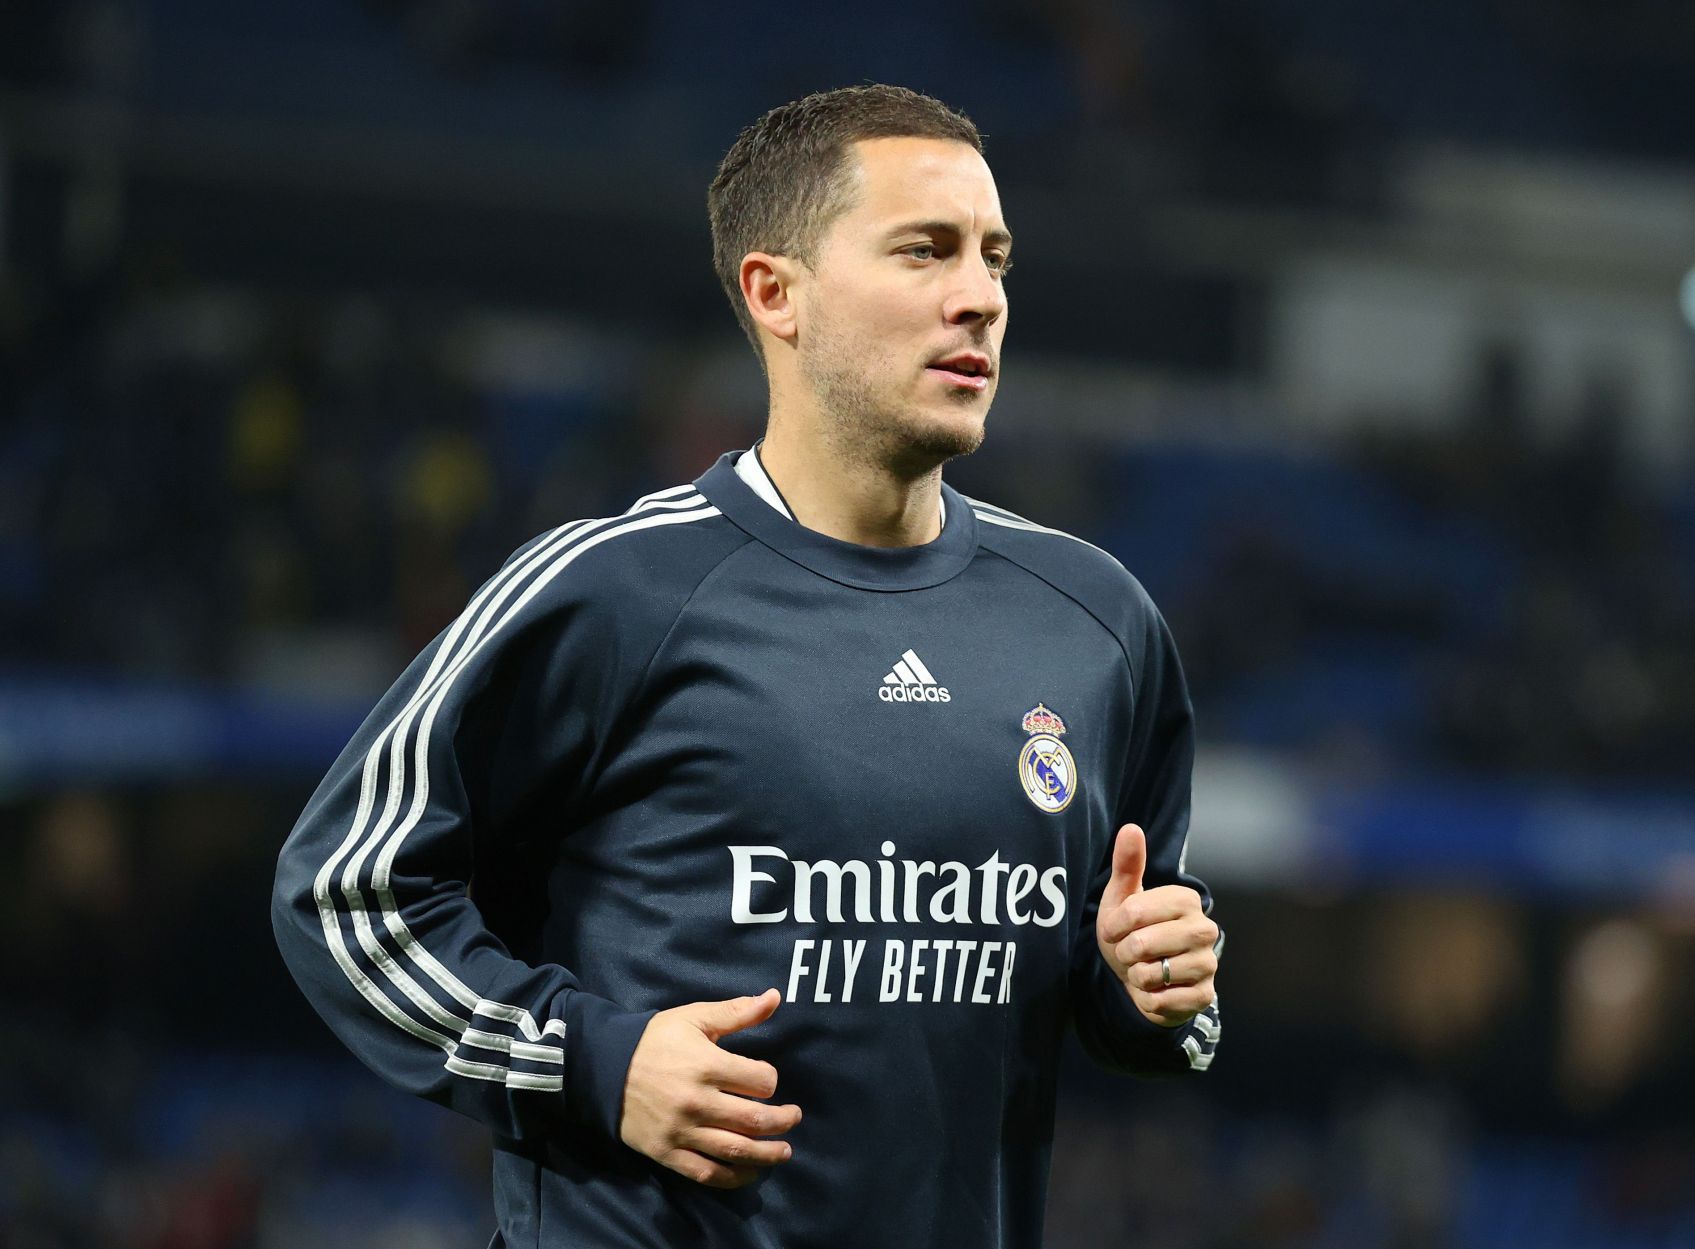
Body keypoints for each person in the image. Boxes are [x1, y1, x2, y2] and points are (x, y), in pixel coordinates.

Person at [271, 83, 1221, 1249]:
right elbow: (346, 893)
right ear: (778, 293)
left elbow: (1135, 979)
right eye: (924, 252)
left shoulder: (1095, 621)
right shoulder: (611, 592)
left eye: (995, 257)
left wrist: (1152, 990)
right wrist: (593, 1060)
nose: (978, 297)